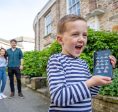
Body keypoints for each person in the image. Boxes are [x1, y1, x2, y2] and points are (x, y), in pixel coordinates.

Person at [47, 14, 117, 112]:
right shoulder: (56, 60)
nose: (81, 39)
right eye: (75, 34)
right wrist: (90, 82)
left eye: (84, 35)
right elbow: (59, 98)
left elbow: (91, 92)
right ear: (60, 39)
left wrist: (101, 76)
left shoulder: (83, 64)